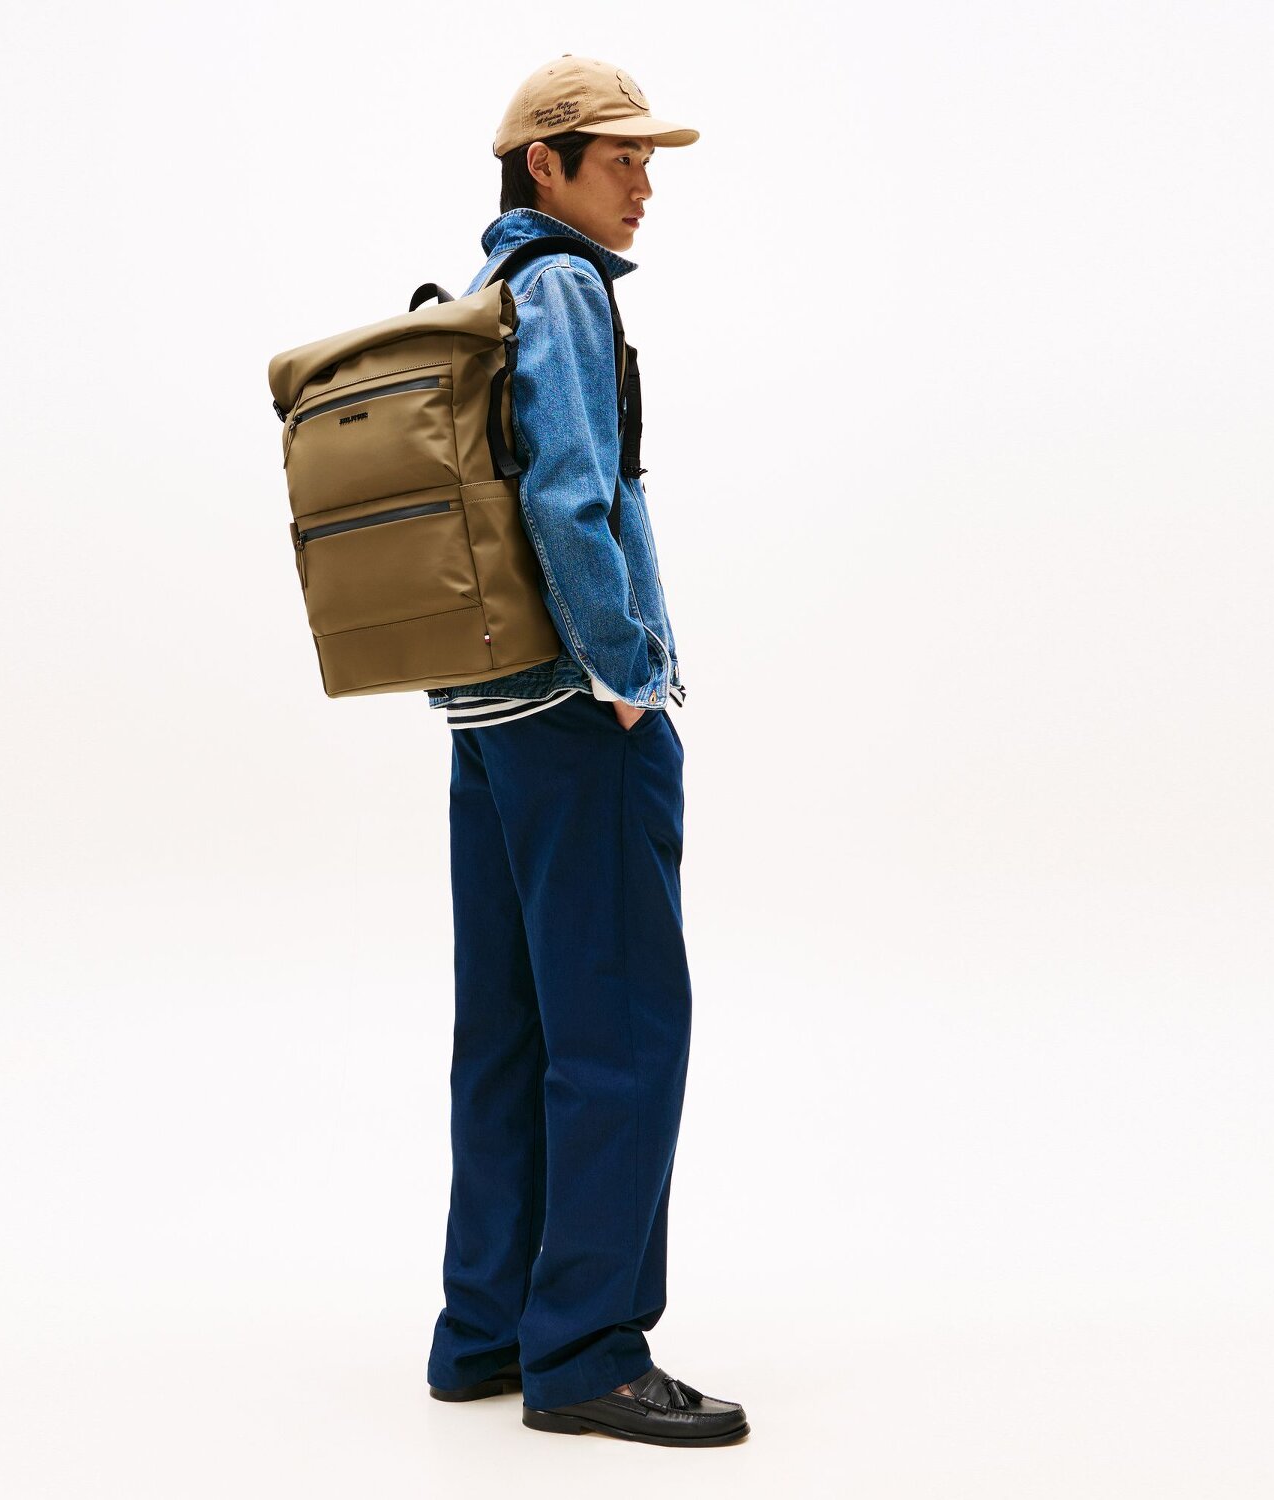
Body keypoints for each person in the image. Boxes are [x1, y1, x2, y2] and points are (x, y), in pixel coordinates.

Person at [422, 56, 749, 1447]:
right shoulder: (562, 286)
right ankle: (588, 1350)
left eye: (647, 158)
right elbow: (569, 495)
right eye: (622, 157)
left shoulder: (486, 291)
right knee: (618, 1028)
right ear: (543, 166)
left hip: (488, 715)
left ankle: (488, 1329)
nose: (646, 181)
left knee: (508, 1032)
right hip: (572, 712)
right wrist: (625, 676)